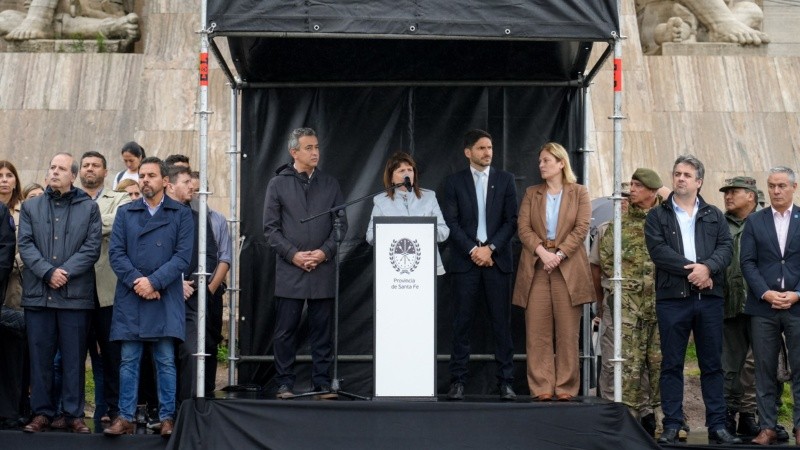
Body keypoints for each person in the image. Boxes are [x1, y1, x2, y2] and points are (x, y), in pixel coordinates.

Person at [644, 155, 739, 445]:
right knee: (672, 364)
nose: (680, 178)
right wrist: (696, 272)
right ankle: (672, 424)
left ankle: (717, 426)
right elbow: (659, 252)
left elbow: (726, 247)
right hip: (672, 299)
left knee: (712, 364)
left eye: (687, 175)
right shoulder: (657, 215)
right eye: (677, 173)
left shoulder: (714, 215)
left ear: (699, 182)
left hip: (709, 299)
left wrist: (708, 268)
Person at [104, 157, 193, 437]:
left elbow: (182, 257)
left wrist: (154, 282)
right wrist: (138, 282)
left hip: (164, 297)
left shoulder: (181, 214)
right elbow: (116, 254)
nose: (144, 180)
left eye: (151, 175)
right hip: (132, 295)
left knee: (165, 359)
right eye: (141, 175)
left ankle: (167, 418)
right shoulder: (125, 212)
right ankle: (125, 417)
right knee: (128, 360)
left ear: (164, 181)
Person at [19, 153, 102, 434]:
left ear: (73, 176)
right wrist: (47, 272)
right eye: (52, 167)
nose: (55, 172)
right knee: (40, 358)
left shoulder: (88, 208)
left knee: (74, 359)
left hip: (74, 297)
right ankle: (41, 413)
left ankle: (73, 414)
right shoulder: (31, 207)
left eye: (61, 168)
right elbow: (25, 244)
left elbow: (91, 248)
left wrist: (63, 272)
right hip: (39, 295)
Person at [263, 127, 344, 399]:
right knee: (285, 331)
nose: (315, 152)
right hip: (290, 269)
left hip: (322, 268)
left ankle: (322, 383)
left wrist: (324, 252)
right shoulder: (278, 184)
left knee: (322, 331)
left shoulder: (330, 184)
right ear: (294, 152)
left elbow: (341, 225)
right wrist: (293, 255)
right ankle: (285, 383)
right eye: (309, 148)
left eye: (317, 147)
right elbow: (270, 229)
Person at [512, 142, 592, 402]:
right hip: (537, 266)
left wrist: (559, 255)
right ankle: (541, 386)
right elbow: (523, 228)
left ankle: (566, 386)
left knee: (568, 331)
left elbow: (581, 228)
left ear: (561, 163)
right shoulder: (531, 193)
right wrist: (542, 252)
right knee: (537, 330)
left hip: (567, 267)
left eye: (546, 160)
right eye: (540, 161)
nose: (541, 165)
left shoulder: (579, 192)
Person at [442, 129, 517, 401]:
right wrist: (474, 250)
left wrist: (490, 248)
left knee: (501, 325)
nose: (488, 152)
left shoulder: (505, 180)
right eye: (482, 148)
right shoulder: (454, 182)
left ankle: (506, 382)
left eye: (490, 147)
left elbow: (512, 220)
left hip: (497, 262)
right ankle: (457, 381)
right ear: (468, 152)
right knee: (461, 324)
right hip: (466, 263)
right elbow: (451, 223)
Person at [597, 169, 664, 432]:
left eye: (638, 186)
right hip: (628, 307)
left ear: (652, 191)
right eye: (632, 185)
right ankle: (629, 421)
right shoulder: (619, 223)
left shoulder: (666, 221)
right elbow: (606, 260)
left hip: (661, 304)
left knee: (659, 363)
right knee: (628, 364)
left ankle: (662, 420)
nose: (632, 190)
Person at [740, 166, 800, 446]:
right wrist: (765, 293)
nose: (776, 191)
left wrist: (797, 294)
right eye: (772, 186)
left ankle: (799, 426)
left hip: (797, 307)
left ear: (793, 187)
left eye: (781, 186)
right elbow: (747, 262)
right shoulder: (755, 221)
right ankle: (767, 426)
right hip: (763, 307)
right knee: (763, 369)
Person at [79, 151, 131, 424]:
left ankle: (114, 410)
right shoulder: (70, 198)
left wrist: (78, 224)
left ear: (106, 171)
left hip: (107, 293)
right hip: (73, 292)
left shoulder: (120, 198)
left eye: (95, 165)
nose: (90, 169)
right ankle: (70, 411)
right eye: (86, 165)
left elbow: (120, 221)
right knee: (71, 358)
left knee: (111, 356)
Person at [165, 165, 218, 402]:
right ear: (170, 186)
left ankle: (188, 409)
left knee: (191, 352)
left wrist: (193, 284)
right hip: (161, 296)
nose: (192, 187)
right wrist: (174, 283)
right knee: (161, 356)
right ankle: (162, 410)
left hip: (191, 299)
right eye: (186, 182)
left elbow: (211, 257)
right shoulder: (156, 217)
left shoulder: (200, 219)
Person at [718, 176, 760, 438]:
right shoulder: (718, 223)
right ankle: (728, 413)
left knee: (759, 364)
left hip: (760, 305)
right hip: (728, 304)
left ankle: (751, 414)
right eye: (726, 192)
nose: (728, 196)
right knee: (729, 363)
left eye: (734, 192)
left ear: (751, 196)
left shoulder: (766, 221)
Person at [366, 151, 449, 274]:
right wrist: (392, 233)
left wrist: (423, 231)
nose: (407, 174)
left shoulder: (429, 197)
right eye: (401, 171)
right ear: (391, 178)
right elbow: (370, 236)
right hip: (394, 266)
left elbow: (444, 231)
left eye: (410, 170)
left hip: (425, 264)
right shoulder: (381, 201)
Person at [189, 170, 231, 394]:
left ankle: (209, 391)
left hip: (212, 290)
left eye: (200, 191)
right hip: (186, 291)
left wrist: (210, 289)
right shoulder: (181, 218)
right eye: (192, 190)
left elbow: (225, 258)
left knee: (211, 340)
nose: (196, 195)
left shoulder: (218, 219)